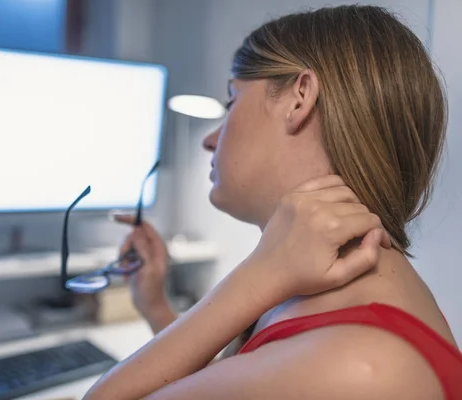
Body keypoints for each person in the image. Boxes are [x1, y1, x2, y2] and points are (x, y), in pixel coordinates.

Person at [86, 5, 462, 400]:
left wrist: (261, 273)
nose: (209, 139)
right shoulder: (326, 304)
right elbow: (236, 378)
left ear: (300, 98)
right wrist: (156, 306)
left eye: (231, 102)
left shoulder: (358, 369)